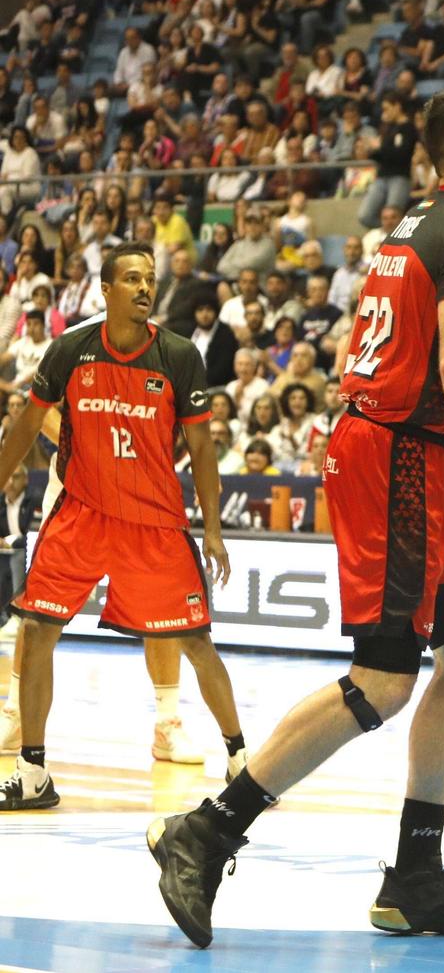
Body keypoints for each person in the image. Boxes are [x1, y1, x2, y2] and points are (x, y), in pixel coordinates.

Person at [148, 87, 444, 948]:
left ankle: (416, 875)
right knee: (386, 678)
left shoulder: (408, 231)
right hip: (397, 454)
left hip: (398, 450)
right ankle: (208, 828)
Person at [0, 252, 245, 813]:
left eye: (150, 281)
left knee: (195, 641)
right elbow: (26, 427)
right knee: (37, 629)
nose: (143, 288)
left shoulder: (179, 356)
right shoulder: (69, 351)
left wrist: (212, 528)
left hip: (154, 522)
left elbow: (203, 449)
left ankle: (240, 758)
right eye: (131, 279)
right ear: (105, 288)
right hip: (81, 513)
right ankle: (32, 771)